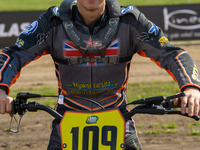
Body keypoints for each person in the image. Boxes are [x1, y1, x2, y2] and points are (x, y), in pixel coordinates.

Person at [0, 0, 200, 149]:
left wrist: (191, 87)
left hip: (120, 121)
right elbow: (15, 54)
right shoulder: (52, 23)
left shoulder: (130, 21)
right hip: (65, 121)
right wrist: (1, 89)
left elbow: (172, 53)